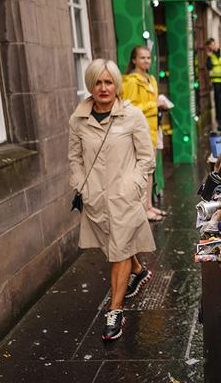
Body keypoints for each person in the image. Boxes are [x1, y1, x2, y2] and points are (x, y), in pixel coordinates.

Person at [68, 59, 156, 341]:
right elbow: (75, 158)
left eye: (108, 82)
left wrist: (133, 186)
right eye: (97, 82)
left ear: (116, 85)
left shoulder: (132, 116)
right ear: (90, 85)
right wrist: (82, 185)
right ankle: (139, 271)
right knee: (114, 244)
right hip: (95, 197)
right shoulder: (78, 119)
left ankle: (115, 310)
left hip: (125, 196)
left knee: (117, 251)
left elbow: (146, 158)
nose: (103, 88)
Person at [122, 46, 169, 222]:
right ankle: (143, 209)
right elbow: (129, 108)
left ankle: (148, 205)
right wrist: (154, 105)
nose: (146, 61)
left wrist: (160, 104)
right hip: (140, 131)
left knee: (150, 169)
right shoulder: (131, 81)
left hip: (153, 128)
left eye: (148, 58)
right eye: (142, 58)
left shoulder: (151, 79)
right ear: (134, 60)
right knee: (144, 170)